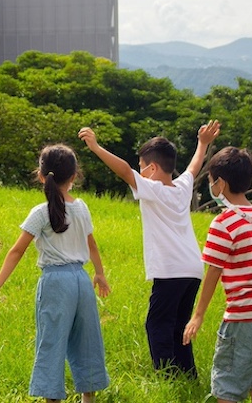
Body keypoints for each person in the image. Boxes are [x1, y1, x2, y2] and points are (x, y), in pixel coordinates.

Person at [78, 120, 220, 377]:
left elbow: (123, 171)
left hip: (170, 270)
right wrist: (202, 143)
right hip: (193, 269)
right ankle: (187, 375)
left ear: (152, 168)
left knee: (157, 325)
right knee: (178, 326)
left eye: (142, 168)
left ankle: (166, 377)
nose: (139, 173)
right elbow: (193, 166)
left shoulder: (152, 188)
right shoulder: (181, 187)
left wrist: (97, 148)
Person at [0, 144, 110, 403]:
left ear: (41, 175)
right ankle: (89, 398)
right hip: (82, 282)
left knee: (52, 341)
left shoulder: (40, 213)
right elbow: (91, 244)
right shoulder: (82, 208)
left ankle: (52, 399)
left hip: (55, 282)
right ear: (74, 176)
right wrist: (99, 274)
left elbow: (16, 251)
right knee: (87, 340)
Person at [182, 147, 252, 403]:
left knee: (228, 387)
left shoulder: (224, 223)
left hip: (244, 319)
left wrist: (198, 315)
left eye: (210, 182)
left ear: (220, 184)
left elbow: (214, 271)